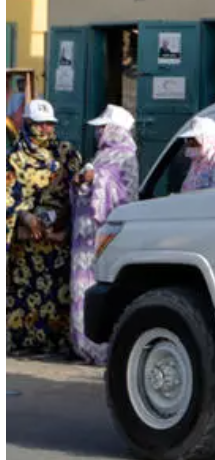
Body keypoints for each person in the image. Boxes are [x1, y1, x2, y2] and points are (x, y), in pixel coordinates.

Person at [8, 100, 82, 355]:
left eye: (49, 124)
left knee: (57, 292)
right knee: (25, 292)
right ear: (28, 125)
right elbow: (7, 196)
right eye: (39, 124)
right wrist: (26, 218)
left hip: (57, 238)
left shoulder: (65, 153)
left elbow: (78, 190)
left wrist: (60, 220)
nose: (46, 129)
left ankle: (58, 342)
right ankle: (24, 341)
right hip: (28, 243)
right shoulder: (14, 158)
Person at [71, 105, 138, 364]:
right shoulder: (102, 156)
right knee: (81, 286)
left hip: (103, 236)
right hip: (84, 236)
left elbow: (125, 194)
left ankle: (101, 349)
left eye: (103, 127)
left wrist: (95, 177)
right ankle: (83, 345)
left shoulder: (126, 157)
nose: (99, 132)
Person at [176, 116, 215, 192]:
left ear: (207, 139)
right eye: (188, 139)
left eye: (194, 139)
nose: (189, 143)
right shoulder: (196, 163)